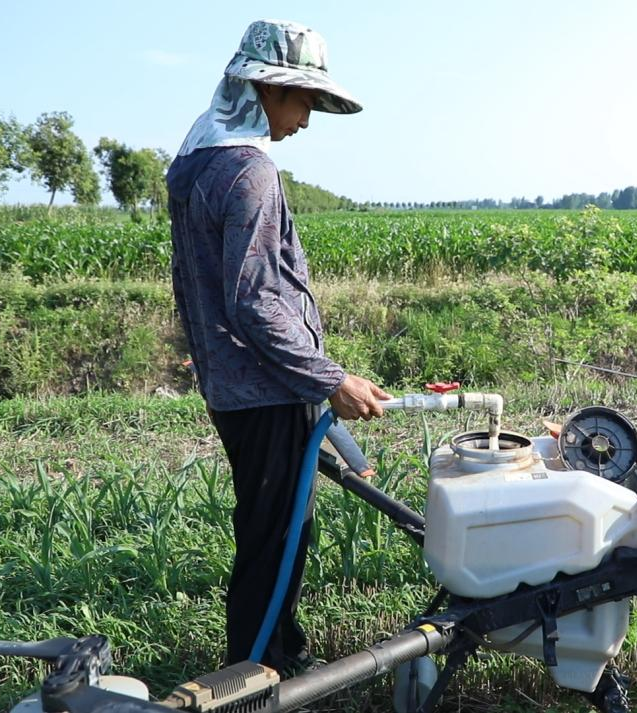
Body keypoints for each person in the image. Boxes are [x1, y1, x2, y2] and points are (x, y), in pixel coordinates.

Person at [165, 19, 391, 673]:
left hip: (233, 385)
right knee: (276, 540)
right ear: (264, 88)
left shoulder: (196, 163)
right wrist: (329, 378)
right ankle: (260, 672)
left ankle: (276, 656)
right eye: (302, 100)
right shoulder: (248, 173)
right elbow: (256, 300)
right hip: (267, 389)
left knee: (273, 531)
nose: (306, 119)